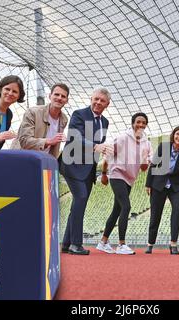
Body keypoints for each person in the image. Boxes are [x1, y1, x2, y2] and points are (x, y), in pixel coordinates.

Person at [60, 87, 113, 255]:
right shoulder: (79, 114)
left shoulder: (104, 122)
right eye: (96, 99)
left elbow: (99, 146)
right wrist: (96, 146)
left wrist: (101, 153)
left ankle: (67, 244)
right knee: (81, 198)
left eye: (102, 101)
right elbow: (75, 138)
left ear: (107, 104)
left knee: (78, 204)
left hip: (88, 169)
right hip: (71, 164)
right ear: (91, 99)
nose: (98, 102)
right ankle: (76, 244)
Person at [96, 112, 153, 255]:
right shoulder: (122, 138)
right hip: (117, 174)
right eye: (138, 122)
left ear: (146, 125)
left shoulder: (147, 143)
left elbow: (144, 168)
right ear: (132, 123)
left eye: (143, 123)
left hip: (130, 178)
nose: (140, 125)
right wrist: (104, 174)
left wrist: (146, 161)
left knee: (117, 210)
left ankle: (103, 242)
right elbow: (108, 155)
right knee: (126, 207)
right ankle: (121, 244)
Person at [145, 126, 179, 255]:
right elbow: (153, 165)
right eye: (177, 134)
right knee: (155, 214)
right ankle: (150, 243)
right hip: (158, 184)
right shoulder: (164, 146)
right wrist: (148, 184)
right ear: (173, 135)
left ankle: (173, 244)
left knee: (177, 212)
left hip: (175, 186)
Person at [10, 83, 69, 158]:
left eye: (63, 96)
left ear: (67, 100)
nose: (59, 98)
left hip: (44, 160)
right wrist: (48, 141)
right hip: (22, 157)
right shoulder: (33, 112)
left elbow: (55, 146)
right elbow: (24, 141)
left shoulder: (64, 119)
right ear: (50, 96)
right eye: (56, 94)